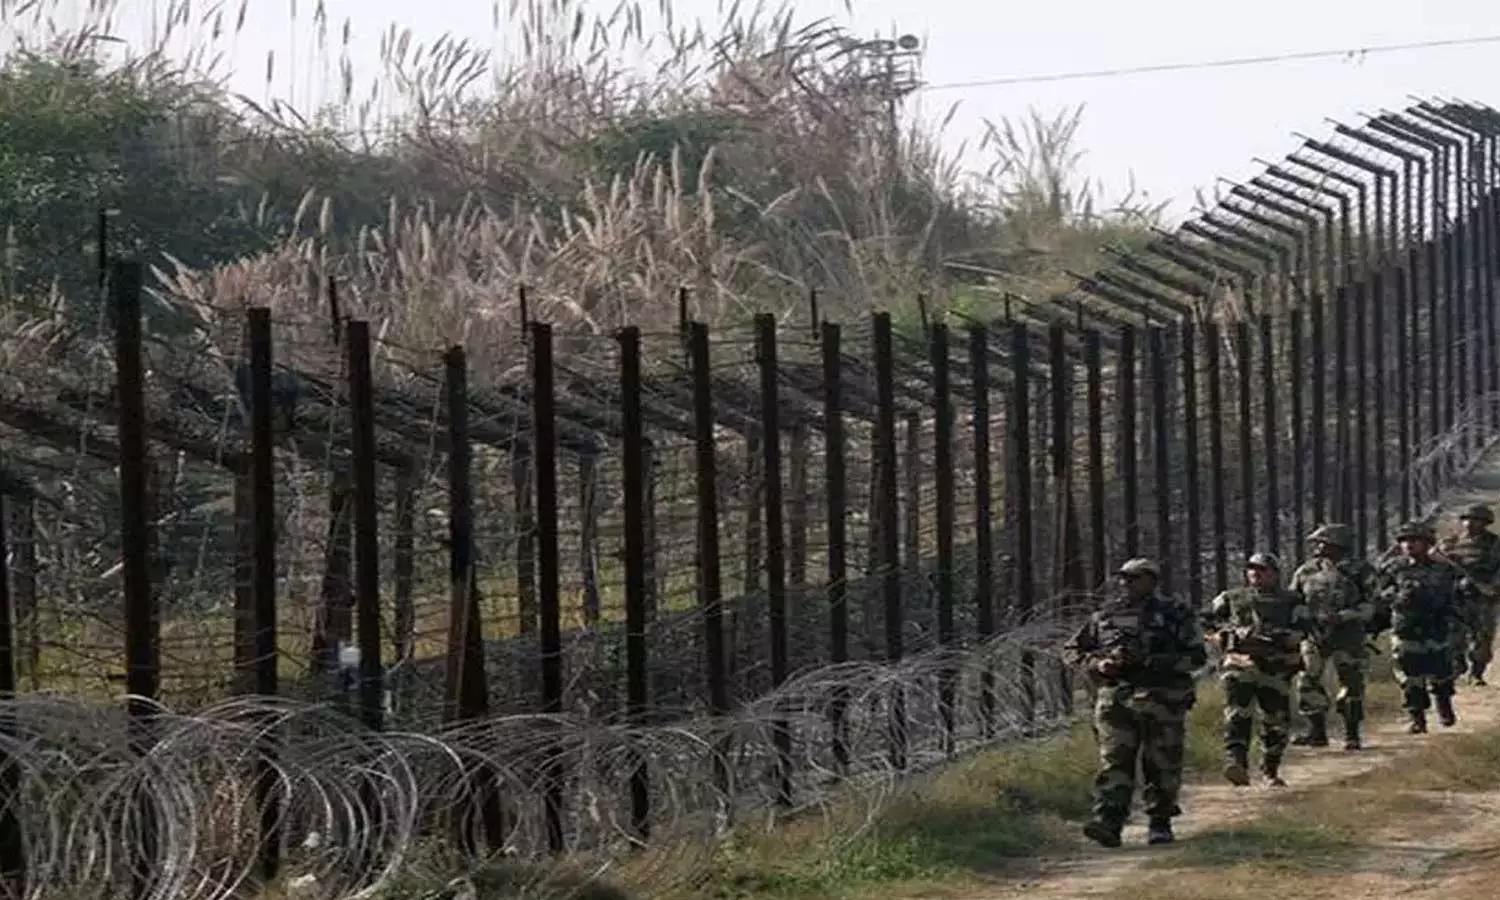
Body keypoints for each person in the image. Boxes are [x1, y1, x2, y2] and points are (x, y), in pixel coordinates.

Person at [1064, 558, 1207, 848]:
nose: (1125, 583)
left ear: (1151, 580)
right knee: (1114, 760)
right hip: (1116, 699)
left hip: (1162, 699)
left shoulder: (1175, 614)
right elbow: (1071, 651)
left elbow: (1196, 657)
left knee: (1161, 761)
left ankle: (1160, 821)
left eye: (1133, 578)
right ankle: (1109, 821)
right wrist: (1098, 664)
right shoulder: (1106, 615)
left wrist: (1150, 661)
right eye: (1123, 578)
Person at [1205, 553, 1314, 787]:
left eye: (1262, 569)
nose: (1255, 573)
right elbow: (1208, 622)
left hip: (1276, 667)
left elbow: (1304, 629)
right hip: (1240, 663)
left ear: (1275, 574)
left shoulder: (1292, 600)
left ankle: (1270, 769)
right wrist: (1225, 635)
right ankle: (1236, 763)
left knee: (1275, 720)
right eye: (1251, 568)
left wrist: (1276, 637)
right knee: (1237, 714)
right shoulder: (1231, 597)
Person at [1288, 523, 1377, 750]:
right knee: (1308, 680)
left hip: (1348, 634)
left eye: (1323, 543)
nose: (1318, 547)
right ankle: (1316, 732)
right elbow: (1293, 600)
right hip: (1314, 634)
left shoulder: (1360, 571)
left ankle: (1352, 734)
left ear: (1338, 544)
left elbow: (1372, 604)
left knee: (1351, 682)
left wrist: (1344, 616)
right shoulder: (1306, 571)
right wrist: (1305, 617)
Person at [1378, 521, 1472, 733]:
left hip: (1437, 626)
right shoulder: (1393, 568)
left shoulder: (1443, 567)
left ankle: (1444, 705)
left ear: (1427, 543)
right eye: (1404, 541)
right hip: (1406, 627)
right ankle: (1417, 718)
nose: (1409, 545)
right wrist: (1397, 597)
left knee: (1441, 671)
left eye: (1415, 540)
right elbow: (1379, 593)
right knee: (1409, 675)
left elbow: (1463, 586)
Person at [1438, 504, 1500, 685]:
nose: (1470, 523)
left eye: (1476, 520)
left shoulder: (1495, 544)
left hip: (1483, 597)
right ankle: (1458, 667)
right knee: (1453, 634)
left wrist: (1493, 585)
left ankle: (1477, 672)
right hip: (1455, 595)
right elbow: (1438, 566)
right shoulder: (1450, 543)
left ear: (1485, 522)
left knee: (1482, 636)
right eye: (1467, 519)